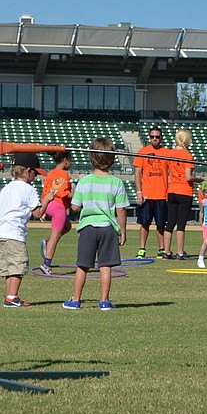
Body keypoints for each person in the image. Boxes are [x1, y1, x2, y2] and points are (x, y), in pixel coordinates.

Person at [63, 138, 129, 311]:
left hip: (88, 228)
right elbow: (121, 210)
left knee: (82, 265)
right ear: (112, 158)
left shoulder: (84, 182)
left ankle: (75, 300)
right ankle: (104, 301)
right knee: (105, 266)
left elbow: (75, 206)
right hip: (108, 228)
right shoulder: (117, 182)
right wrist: (123, 231)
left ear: (91, 158)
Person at [0, 153, 54, 307]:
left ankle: (10, 295)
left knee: (9, 268)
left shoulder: (6, 188)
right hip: (14, 233)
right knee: (18, 266)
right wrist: (46, 199)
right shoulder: (27, 189)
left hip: (1, 232)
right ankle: (12, 297)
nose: (35, 176)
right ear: (28, 171)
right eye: (35, 173)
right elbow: (37, 213)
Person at [163, 129, 203, 259]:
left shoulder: (170, 154)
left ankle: (167, 251)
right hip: (184, 191)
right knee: (181, 224)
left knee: (170, 222)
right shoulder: (187, 155)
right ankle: (180, 252)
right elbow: (188, 177)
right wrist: (198, 179)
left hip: (172, 190)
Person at [133, 126, 169, 258]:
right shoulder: (142, 152)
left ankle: (162, 249)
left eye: (157, 137)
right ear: (149, 137)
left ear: (161, 137)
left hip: (161, 195)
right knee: (144, 223)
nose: (155, 139)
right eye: (152, 136)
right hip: (147, 195)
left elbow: (171, 173)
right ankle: (142, 249)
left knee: (160, 224)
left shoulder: (167, 153)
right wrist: (139, 192)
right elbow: (137, 174)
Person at [38, 150, 74, 275]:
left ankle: (48, 242)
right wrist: (76, 196)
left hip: (48, 205)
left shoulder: (50, 174)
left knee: (67, 226)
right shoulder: (64, 175)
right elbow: (63, 193)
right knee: (55, 236)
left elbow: (46, 192)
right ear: (65, 161)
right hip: (58, 207)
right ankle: (46, 264)